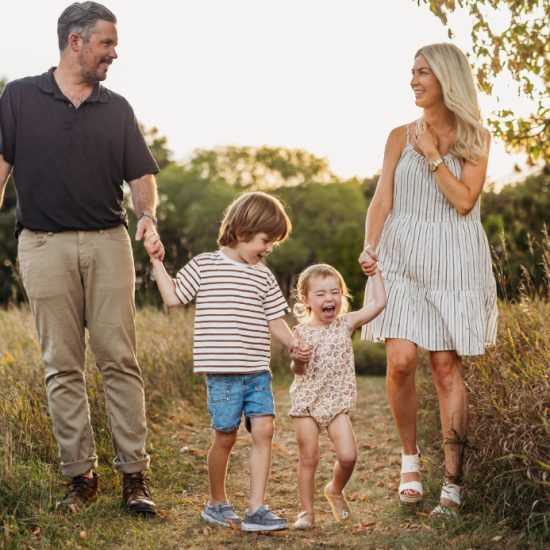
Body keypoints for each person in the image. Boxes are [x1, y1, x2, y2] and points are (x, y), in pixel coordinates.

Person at [0, 2, 164, 515]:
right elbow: (1, 166)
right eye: (106, 43)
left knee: (120, 359)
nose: (114, 53)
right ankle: (81, 477)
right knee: (61, 365)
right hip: (42, 244)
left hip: (107, 242)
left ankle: (134, 477)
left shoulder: (117, 108)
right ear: (76, 41)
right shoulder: (19, 97)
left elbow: (141, 174)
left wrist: (147, 216)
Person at [358, 43, 498, 515]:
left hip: (453, 259)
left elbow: (463, 201)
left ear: (446, 79)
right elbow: (382, 198)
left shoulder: (477, 137)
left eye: (423, 73)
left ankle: (453, 484)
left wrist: (434, 155)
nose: (413, 80)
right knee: (399, 361)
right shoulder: (399, 135)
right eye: (412, 72)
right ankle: (410, 462)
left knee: (444, 367)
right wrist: (370, 245)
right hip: (400, 255)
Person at [144, 191, 311, 532]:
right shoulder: (205, 265)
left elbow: (275, 319)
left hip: (257, 372)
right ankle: (216, 503)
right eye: (266, 240)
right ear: (243, 230)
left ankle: (256, 509)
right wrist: (156, 262)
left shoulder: (263, 276)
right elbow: (173, 297)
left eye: (274, 243)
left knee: (265, 430)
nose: (269, 248)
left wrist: (294, 343)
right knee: (225, 437)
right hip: (222, 375)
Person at [288, 263, 386, 529]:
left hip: (336, 403)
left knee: (348, 456)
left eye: (335, 292)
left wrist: (375, 273)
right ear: (306, 299)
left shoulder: (346, 324)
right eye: (320, 294)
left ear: (342, 295)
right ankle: (306, 513)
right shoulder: (300, 332)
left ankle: (334, 489)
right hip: (306, 402)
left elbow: (379, 303)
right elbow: (297, 370)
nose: (329, 298)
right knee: (309, 458)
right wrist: (299, 360)